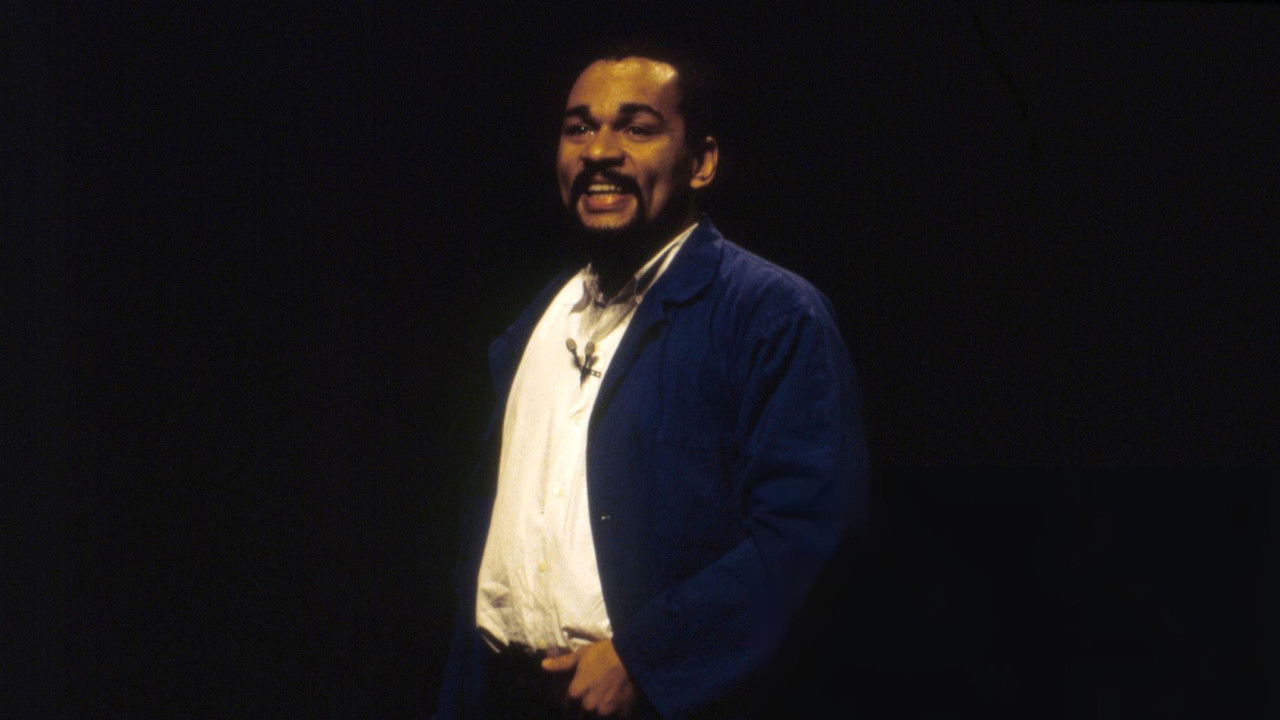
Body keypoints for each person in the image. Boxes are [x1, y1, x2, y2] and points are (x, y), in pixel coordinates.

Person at [434, 43, 868, 720]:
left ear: (702, 162)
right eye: (579, 128)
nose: (599, 151)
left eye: (637, 128)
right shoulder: (536, 322)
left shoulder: (770, 313)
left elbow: (811, 534)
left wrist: (648, 660)